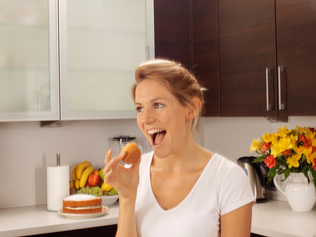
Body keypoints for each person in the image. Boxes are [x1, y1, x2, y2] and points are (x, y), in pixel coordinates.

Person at [104, 59, 255, 237]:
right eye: (139, 108)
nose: (145, 119)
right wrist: (127, 197)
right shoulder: (136, 174)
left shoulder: (227, 179)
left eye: (157, 105)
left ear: (191, 109)